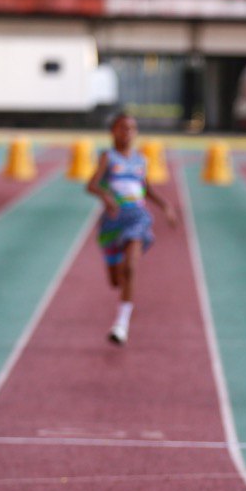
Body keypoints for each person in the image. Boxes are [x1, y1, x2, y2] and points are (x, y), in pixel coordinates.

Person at [86, 112, 177, 346]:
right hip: (112, 223)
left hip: (137, 218)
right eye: (122, 128)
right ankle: (122, 311)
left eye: (132, 128)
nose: (127, 132)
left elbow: (146, 189)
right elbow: (92, 185)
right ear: (113, 131)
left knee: (130, 267)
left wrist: (165, 205)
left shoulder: (141, 160)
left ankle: (121, 325)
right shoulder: (108, 157)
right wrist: (106, 197)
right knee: (116, 281)